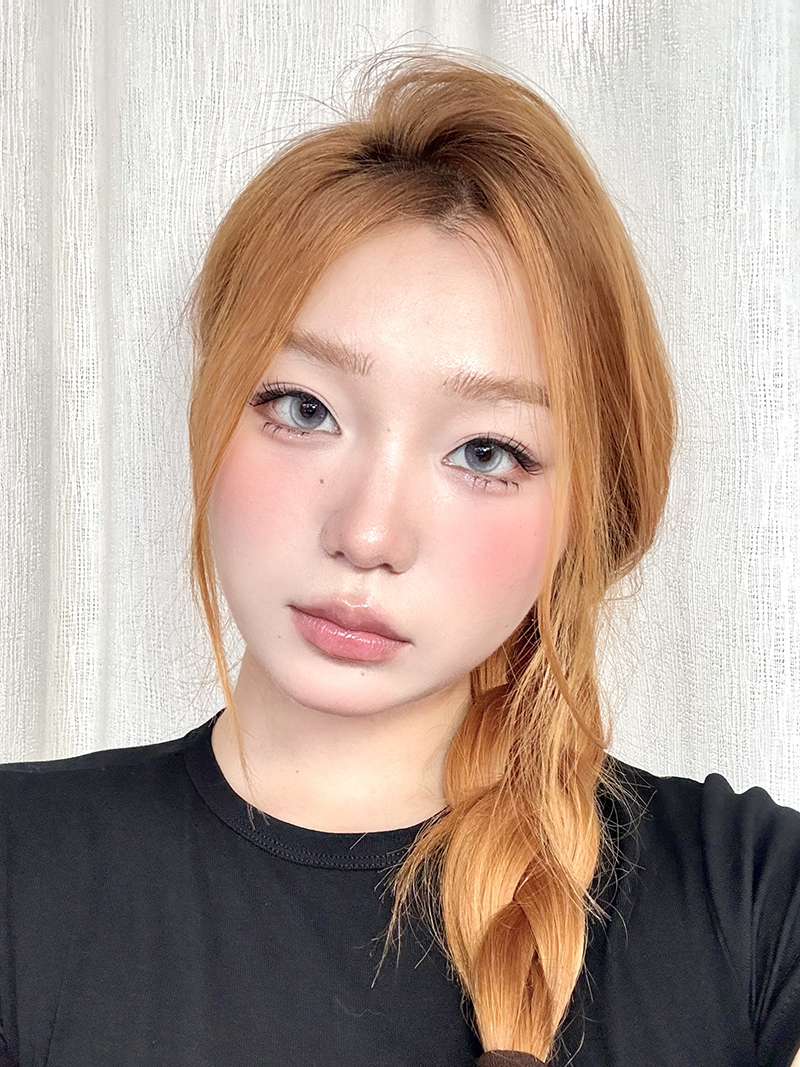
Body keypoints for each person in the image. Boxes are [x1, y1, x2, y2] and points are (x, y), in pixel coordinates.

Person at [1, 51, 798, 1067]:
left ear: (586, 511)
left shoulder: (750, 905)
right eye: (303, 408)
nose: (368, 533)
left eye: (486, 453)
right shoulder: (20, 872)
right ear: (211, 408)